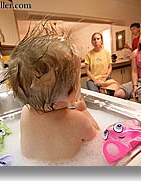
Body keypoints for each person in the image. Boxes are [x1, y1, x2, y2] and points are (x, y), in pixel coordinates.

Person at [7, 23, 100, 161]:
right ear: (68, 94)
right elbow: (97, 136)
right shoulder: (76, 119)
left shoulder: (25, 112)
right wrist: (84, 110)